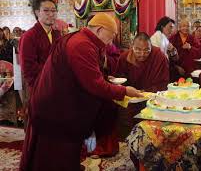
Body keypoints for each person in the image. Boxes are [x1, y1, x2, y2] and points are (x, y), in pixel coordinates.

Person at [19, 13, 143, 171]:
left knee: (66, 152)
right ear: (99, 30)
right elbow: (94, 84)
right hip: (55, 108)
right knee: (53, 154)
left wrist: (103, 77)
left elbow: (85, 75)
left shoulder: (82, 39)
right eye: (110, 37)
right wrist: (124, 91)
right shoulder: (81, 44)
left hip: (61, 104)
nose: (110, 42)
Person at [19, 0, 61, 92]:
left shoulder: (57, 34)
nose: (51, 14)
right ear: (37, 12)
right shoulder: (28, 36)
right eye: (46, 10)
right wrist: (54, 74)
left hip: (57, 85)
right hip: (39, 87)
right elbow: (28, 68)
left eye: (54, 11)